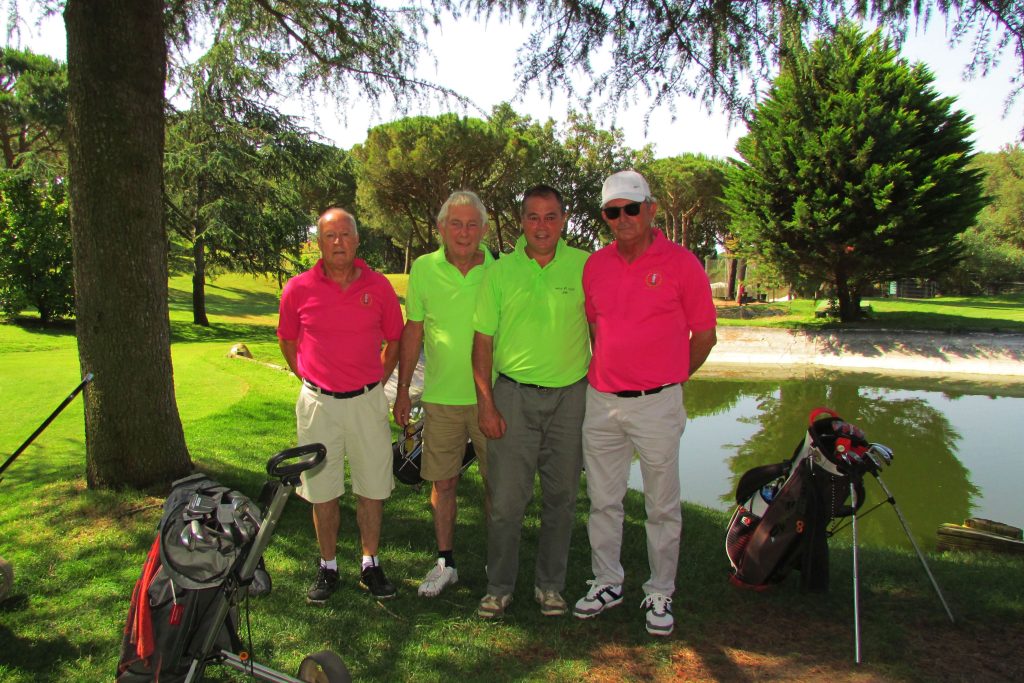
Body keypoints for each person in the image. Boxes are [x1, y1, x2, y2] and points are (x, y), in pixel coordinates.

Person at [572, 170, 717, 636]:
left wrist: (669, 379)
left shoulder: (683, 264)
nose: (623, 218)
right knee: (603, 501)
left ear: (651, 209)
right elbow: (597, 328)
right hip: (602, 401)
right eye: (612, 211)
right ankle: (607, 582)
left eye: (631, 208)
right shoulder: (595, 266)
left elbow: (705, 336)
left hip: (658, 405)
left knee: (661, 506)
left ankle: (660, 590)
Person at [472, 184, 591, 619]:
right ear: (521, 221)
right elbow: (482, 342)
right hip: (513, 396)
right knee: (507, 502)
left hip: (571, 397)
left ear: (564, 220)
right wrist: (486, 403)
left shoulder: (585, 266)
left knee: (561, 499)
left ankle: (550, 587)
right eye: (533, 217)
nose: (542, 226)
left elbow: (602, 330)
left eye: (551, 216)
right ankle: (499, 588)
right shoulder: (500, 271)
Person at [277, 207, 403, 604]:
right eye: (330, 236)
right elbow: (287, 341)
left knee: (372, 488)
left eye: (346, 234)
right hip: (319, 405)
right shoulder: (298, 288)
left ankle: (370, 564)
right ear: (319, 242)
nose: (338, 242)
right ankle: (328, 566)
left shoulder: (379, 286)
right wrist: (309, 378)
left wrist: (375, 380)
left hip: (366, 402)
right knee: (322, 490)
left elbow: (395, 340)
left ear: (357, 240)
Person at [393, 190, 493, 598]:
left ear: (484, 229)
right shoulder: (423, 268)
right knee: (443, 482)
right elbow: (413, 330)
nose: (464, 232)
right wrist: (403, 391)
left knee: (497, 485)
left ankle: (497, 565)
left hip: (491, 399)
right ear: (440, 228)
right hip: (441, 399)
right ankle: (445, 563)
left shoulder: (500, 269)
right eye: (456, 224)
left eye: (472, 225)